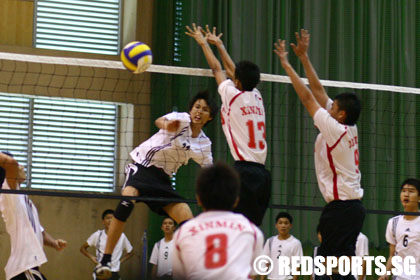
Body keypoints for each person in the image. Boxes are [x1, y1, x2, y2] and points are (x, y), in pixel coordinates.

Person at [95, 90, 218, 279]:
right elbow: (159, 121)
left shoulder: (203, 144)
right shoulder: (182, 119)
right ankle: (104, 262)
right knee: (127, 202)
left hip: (162, 180)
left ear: (210, 117)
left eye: (205, 109)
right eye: (197, 107)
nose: (199, 111)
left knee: (186, 217)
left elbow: (209, 170)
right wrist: (168, 125)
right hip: (143, 166)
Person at [274, 29, 365, 275]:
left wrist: (287, 65)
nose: (329, 106)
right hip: (348, 209)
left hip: (342, 208)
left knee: (328, 268)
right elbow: (318, 91)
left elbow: (307, 98)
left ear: (341, 114)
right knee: (336, 268)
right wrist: (304, 58)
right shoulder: (347, 127)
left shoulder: (335, 129)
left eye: (333, 107)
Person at [186, 23, 271, 227]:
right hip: (263, 175)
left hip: (244, 172)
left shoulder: (231, 95)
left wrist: (204, 44)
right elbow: (234, 71)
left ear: (238, 82)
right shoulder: (257, 96)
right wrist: (221, 45)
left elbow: (217, 68)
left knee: (236, 225)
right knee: (252, 229)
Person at [172, 161, 264, 280]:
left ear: (198, 199)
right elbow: (252, 274)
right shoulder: (252, 231)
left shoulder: (182, 233)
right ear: (236, 200)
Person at [0, 152, 67, 280]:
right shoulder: (8, 192)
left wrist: (54, 243)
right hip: (23, 268)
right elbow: (10, 163)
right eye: (18, 163)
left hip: (26, 269)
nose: (21, 166)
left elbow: (38, 231)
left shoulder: (23, 199)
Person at [379, 178, 420, 280]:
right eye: (403, 191)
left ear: (419, 198)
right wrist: (386, 273)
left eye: (411, 191)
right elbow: (392, 255)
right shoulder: (393, 222)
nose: (406, 194)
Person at [80, 209, 134, 280]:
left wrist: (119, 262)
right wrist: (92, 258)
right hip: (101, 271)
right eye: (108, 218)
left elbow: (131, 252)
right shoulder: (97, 235)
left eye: (112, 218)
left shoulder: (122, 236)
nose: (110, 220)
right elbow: (83, 248)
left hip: (114, 272)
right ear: (103, 221)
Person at [261, 212, 303, 280]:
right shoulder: (270, 241)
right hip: (272, 278)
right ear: (276, 225)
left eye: (286, 223)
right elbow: (265, 262)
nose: (283, 225)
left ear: (290, 225)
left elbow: (297, 266)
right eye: (280, 223)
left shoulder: (296, 243)